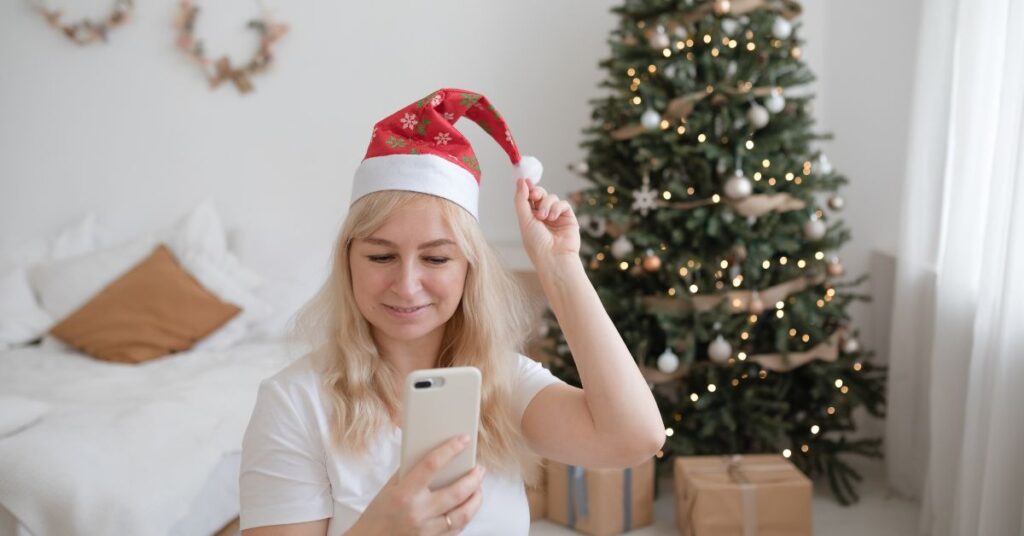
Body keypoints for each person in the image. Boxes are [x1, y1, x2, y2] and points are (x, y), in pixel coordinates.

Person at [238, 88, 664, 535]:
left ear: (468, 269)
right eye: (380, 257)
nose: (406, 286)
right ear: (348, 262)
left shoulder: (506, 383)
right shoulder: (294, 403)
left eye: (437, 259)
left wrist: (560, 269)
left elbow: (634, 438)